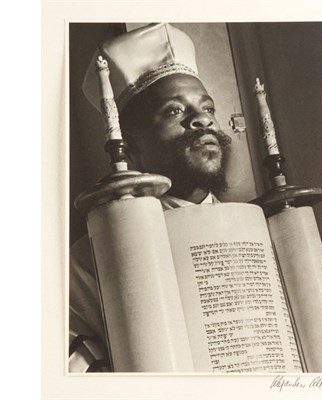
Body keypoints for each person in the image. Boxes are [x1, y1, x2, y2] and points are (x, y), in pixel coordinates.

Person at [69, 23, 232, 372]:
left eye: (208, 108)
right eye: (174, 110)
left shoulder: (260, 230)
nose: (202, 119)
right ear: (130, 148)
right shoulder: (89, 257)